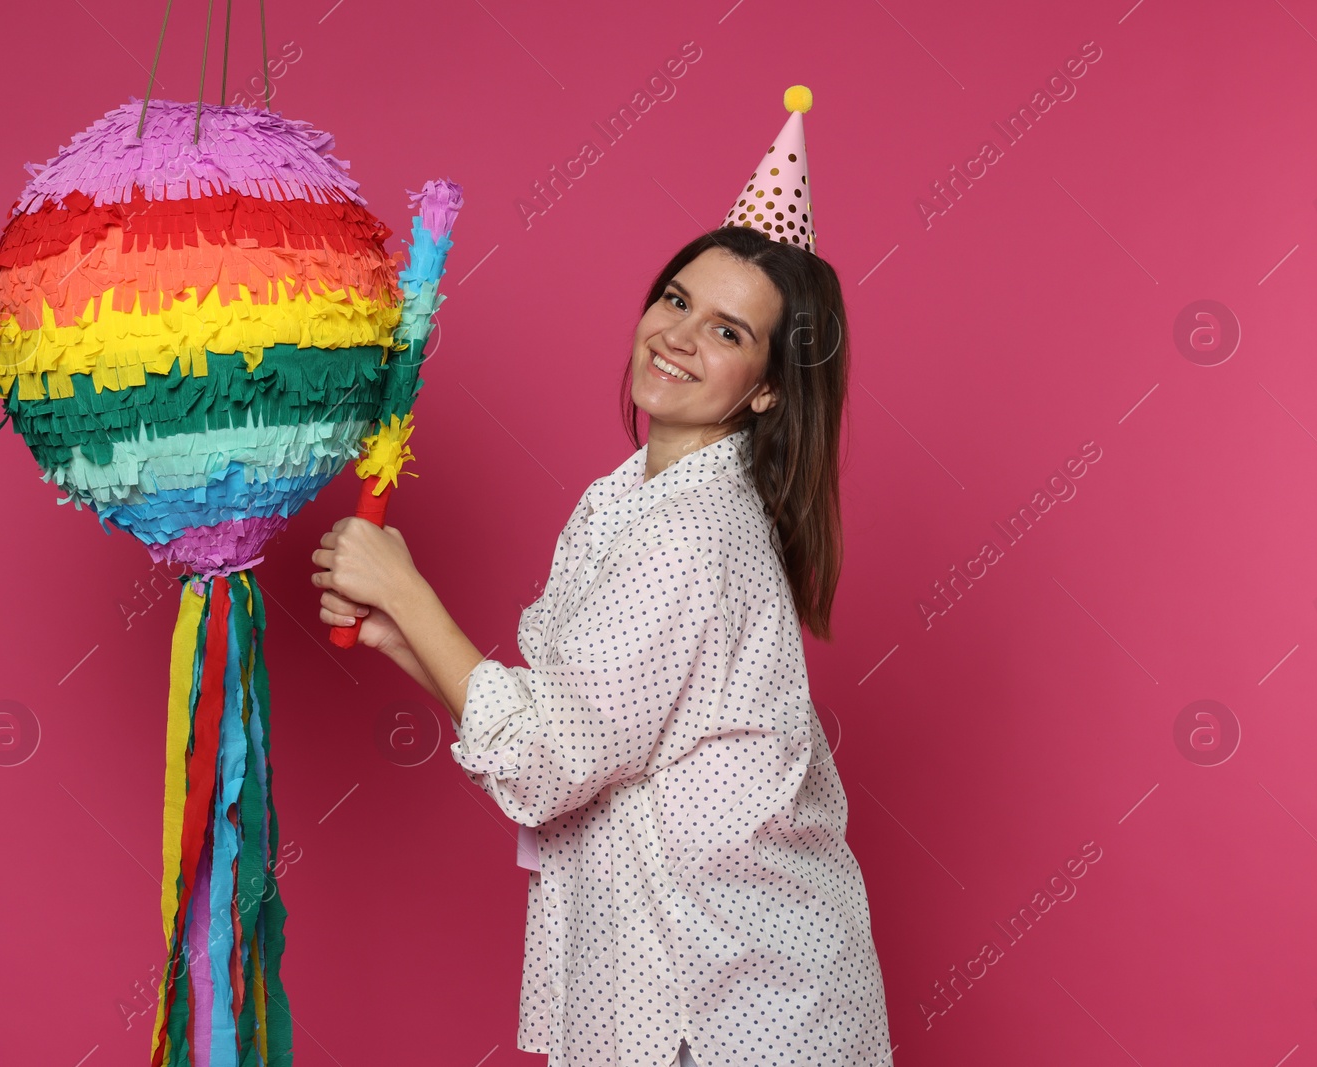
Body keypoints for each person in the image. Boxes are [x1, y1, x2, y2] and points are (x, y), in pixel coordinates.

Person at [311, 221, 892, 1066]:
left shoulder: (688, 532)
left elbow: (549, 755)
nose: (680, 337)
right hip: (679, 972)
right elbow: (577, 746)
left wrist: (409, 590)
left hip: (727, 998)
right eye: (676, 300)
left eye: (728, 332)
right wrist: (407, 640)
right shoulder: (630, 500)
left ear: (768, 389)